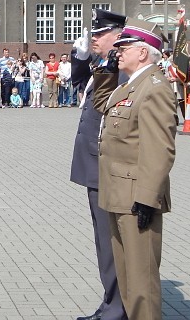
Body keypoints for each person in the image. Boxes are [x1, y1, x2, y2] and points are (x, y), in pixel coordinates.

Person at [94, 19, 176, 320]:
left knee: (143, 285)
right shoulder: (131, 85)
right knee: (128, 282)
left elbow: (160, 150)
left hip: (136, 198)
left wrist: (146, 197)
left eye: (123, 47)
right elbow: (101, 103)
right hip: (118, 194)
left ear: (143, 53)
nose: (118, 51)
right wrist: (107, 69)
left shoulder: (154, 88)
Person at [70, 9, 128, 320]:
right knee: (103, 240)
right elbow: (77, 79)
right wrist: (80, 56)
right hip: (96, 164)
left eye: (99, 34)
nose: (93, 38)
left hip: (108, 166)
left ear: (117, 36)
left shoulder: (125, 70)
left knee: (111, 241)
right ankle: (111, 304)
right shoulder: (105, 64)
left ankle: (117, 309)